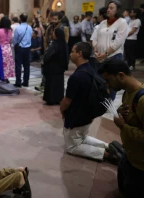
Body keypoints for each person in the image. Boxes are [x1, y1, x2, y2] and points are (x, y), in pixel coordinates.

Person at [98, 59, 144, 197]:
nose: (107, 85)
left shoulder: (142, 100)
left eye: (108, 80)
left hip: (140, 166)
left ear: (121, 75)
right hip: (129, 157)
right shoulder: (127, 93)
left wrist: (123, 126)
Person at [61, 42, 110, 161]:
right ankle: (108, 146)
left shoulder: (77, 77)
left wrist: (62, 111)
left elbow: (67, 101)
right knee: (82, 137)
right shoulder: (91, 69)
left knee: (72, 147)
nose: (71, 54)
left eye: (73, 51)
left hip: (77, 117)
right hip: (89, 114)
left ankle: (105, 154)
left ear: (79, 54)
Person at [92, 0, 129, 100]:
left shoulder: (122, 22)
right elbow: (95, 38)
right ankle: (100, 100)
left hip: (114, 56)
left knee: (112, 81)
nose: (108, 10)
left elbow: (118, 42)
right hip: (100, 56)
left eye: (111, 8)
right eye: (108, 8)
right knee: (99, 80)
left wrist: (106, 53)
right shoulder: (103, 23)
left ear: (118, 10)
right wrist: (96, 50)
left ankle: (108, 102)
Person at [42, 28, 68, 105]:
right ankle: (58, 98)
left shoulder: (54, 45)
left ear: (57, 35)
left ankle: (51, 99)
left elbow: (47, 56)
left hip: (52, 68)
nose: (52, 34)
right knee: (59, 84)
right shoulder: (64, 44)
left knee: (51, 84)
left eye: (54, 33)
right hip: (60, 69)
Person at [13, 13, 33, 88]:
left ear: (20, 19)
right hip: (27, 48)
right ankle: (26, 81)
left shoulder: (18, 28)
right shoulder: (30, 27)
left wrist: (16, 45)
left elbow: (15, 39)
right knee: (26, 65)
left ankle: (18, 81)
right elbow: (30, 37)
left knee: (18, 65)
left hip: (20, 48)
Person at [0, 17, 15, 82]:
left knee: (1, 64)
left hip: (1, 48)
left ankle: (1, 76)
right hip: (8, 49)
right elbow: (11, 40)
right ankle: (7, 77)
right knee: (8, 64)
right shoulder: (10, 30)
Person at [89, 7, 108, 72]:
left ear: (101, 16)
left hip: (99, 56)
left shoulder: (98, 27)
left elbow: (92, 41)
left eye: (98, 15)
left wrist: (95, 52)